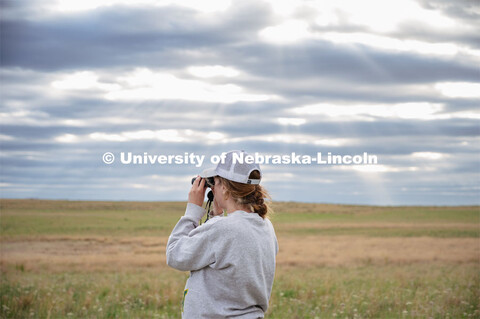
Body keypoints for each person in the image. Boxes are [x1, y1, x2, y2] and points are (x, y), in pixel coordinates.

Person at [166, 150, 278, 318]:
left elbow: (174, 255)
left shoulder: (223, 229)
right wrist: (214, 217)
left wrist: (192, 212)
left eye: (215, 182)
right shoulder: (265, 225)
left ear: (225, 188)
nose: (213, 188)